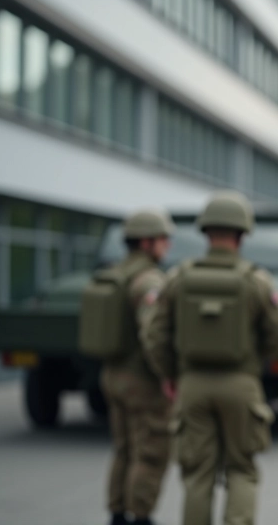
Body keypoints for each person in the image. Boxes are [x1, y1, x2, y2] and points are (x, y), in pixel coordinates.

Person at [143, 191, 278, 525]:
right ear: (242, 234)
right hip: (242, 385)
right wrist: (257, 359)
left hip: (191, 384)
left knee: (197, 475)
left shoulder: (178, 277)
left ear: (205, 231)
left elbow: (154, 334)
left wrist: (169, 374)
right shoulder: (255, 279)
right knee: (242, 470)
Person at [93, 209, 175, 525]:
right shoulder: (148, 279)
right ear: (146, 241)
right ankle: (141, 516)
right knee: (151, 452)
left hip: (112, 375)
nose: (167, 245)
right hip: (141, 382)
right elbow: (152, 333)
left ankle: (116, 513)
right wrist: (166, 373)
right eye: (163, 238)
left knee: (123, 449)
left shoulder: (115, 272)